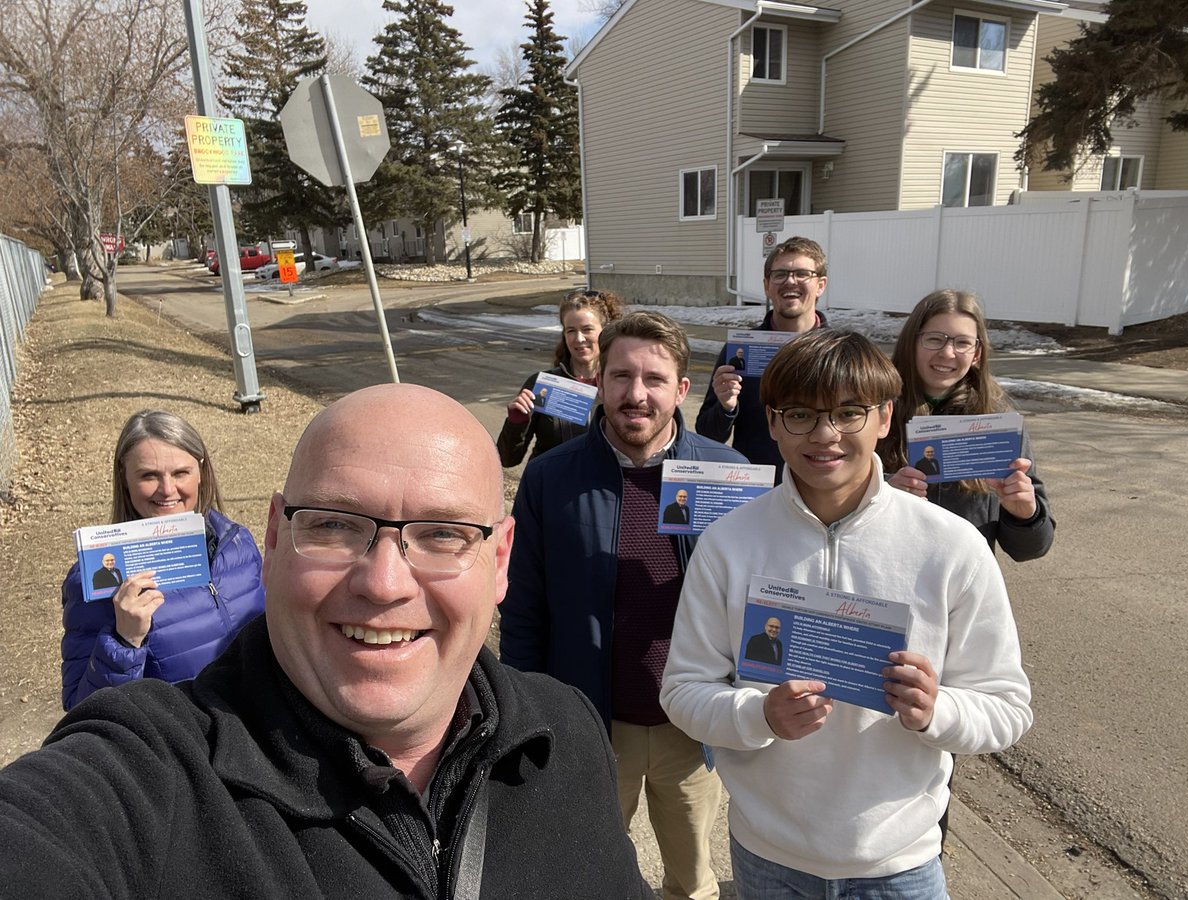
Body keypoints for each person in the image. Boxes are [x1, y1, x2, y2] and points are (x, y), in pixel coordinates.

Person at [0, 385, 652, 899]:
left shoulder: (568, 734)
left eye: (443, 533)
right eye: (336, 525)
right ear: (276, 541)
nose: (384, 582)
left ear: (501, 558)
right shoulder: (146, 784)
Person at [661, 329, 1033, 898]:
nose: (825, 436)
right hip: (768, 859)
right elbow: (684, 691)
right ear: (775, 422)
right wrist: (761, 717)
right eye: (801, 415)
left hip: (900, 866)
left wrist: (939, 709)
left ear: (885, 417)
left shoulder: (951, 546)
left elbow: (1006, 709)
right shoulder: (727, 543)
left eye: (849, 413)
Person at [502, 312, 746, 900]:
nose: (636, 394)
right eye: (621, 377)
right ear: (600, 382)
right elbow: (524, 609)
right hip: (590, 724)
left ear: (682, 389)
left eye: (654, 379)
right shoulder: (551, 478)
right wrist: (532, 711)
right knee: (584, 877)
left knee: (691, 882)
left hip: (689, 725)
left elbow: (757, 596)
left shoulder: (728, 475)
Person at [60, 410, 264, 711]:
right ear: (124, 479)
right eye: (148, 476)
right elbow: (83, 711)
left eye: (180, 473)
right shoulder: (96, 578)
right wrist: (124, 640)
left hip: (265, 731)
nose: (168, 490)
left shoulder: (236, 544)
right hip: (188, 747)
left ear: (201, 472)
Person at [878, 290, 1055, 561]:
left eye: (962, 343)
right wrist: (882, 495)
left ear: (976, 354)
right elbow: (830, 504)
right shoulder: (871, 412)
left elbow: (1029, 549)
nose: (947, 353)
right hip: (886, 580)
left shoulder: (997, 425)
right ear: (911, 343)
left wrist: (1025, 513)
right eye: (934, 339)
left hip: (964, 590)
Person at [696, 236, 829, 483]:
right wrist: (726, 406)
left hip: (820, 486)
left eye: (802, 273)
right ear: (767, 285)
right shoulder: (740, 351)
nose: (790, 281)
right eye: (780, 274)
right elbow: (707, 433)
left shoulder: (839, 351)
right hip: (757, 487)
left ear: (820, 285)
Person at [497, 288, 624, 467]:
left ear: (605, 331)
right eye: (571, 330)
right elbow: (507, 459)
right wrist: (516, 422)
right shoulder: (542, 384)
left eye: (587, 329)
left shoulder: (621, 384)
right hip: (551, 489)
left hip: (599, 489)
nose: (579, 339)